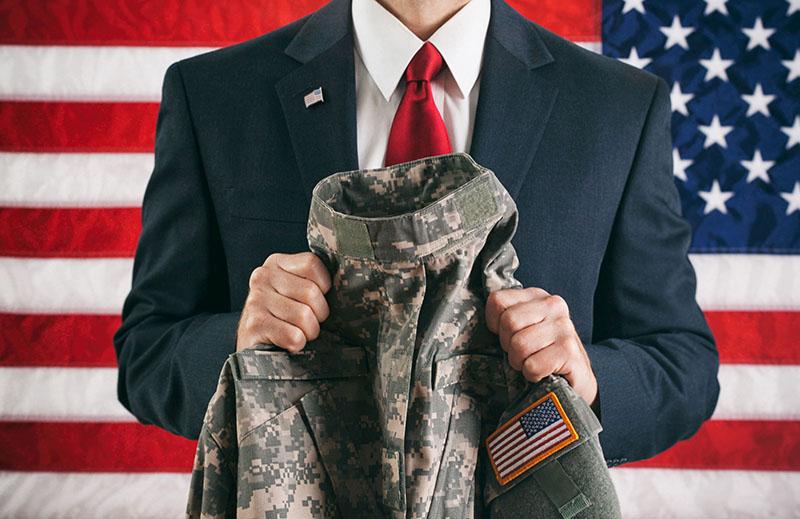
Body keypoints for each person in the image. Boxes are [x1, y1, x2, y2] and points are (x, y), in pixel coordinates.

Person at [113, 0, 720, 469]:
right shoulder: (216, 95)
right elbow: (147, 353)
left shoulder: (617, 106)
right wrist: (240, 346)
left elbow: (682, 367)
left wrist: (587, 379)